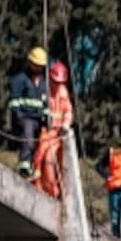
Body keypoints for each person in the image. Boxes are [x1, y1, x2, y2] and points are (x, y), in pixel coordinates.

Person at [31, 60, 73, 197]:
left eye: (60, 82)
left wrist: (66, 124)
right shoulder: (43, 89)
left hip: (58, 133)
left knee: (53, 159)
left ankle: (56, 191)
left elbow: (68, 111)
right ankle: (40, 186)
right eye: (55, 81)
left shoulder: (63, 93)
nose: (57, 84)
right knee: (40, 156)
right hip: (45, 130)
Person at [8, 47, 49, 177]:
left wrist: (47, 117)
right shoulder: (20, 80)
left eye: (41, 66)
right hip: (25, 118)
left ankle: (35, 168)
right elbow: (14, 101)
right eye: (36, 65)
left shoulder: (44, 83)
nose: (39, 68)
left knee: (40, 144)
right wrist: (19, 116)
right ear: (30, 63)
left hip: (39, 120)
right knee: (28, 140)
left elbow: (46, 104)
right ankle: (24, 168)